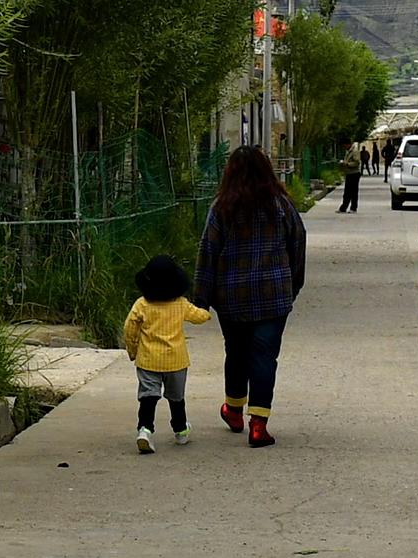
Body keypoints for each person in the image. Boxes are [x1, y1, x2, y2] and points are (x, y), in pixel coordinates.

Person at [193, 145, 307, 448]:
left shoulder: (221, 207)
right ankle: (259, 425)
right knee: (264, 356)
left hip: (231, 297)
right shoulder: (281, 204)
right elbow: (298, 243)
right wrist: (293, 284)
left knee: (237, 352)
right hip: (273, 296)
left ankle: (233, 409)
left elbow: (208, 250)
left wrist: (201, 297)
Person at [122, 254, 212, 454]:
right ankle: (180, 430)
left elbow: (129, 328)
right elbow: (199, 317)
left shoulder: (141, 304)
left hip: (148, 360)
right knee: (176, 398)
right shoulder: (180, 304)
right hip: (176, 361)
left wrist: (132, 350)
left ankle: (145, 430)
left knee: (148, 397)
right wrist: (206, 310)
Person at [338, 141, 362, 212]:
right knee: (347, 191)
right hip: (349, 173)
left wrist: (347, 164)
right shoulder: (348, 151)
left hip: (354, 173)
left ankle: (353, 208)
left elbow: (357, 162)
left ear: (348, 144)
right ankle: (344, 207)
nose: (344, 147)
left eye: (344, 145)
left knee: (353, 192)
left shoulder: (354, 151)